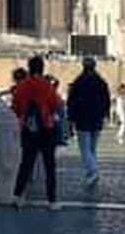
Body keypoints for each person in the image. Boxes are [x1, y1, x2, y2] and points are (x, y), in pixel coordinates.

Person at [11, 55, 62, 211]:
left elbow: (16, 107)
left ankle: (18, 197)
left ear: (29, 68)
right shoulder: (47, 85)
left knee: (26, 163)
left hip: (28, 128)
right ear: (42, 68)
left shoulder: (23, 86)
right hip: (46, 128)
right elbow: (57, 104)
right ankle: (51, 201)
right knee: (49, 165)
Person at [66, 55, 111, 187]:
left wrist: (71, 119)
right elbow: (106, 101)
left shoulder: (78, 82)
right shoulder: (101, 82)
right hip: (97, 119)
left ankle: (93, 171)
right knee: (92, 148)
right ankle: (90, 172)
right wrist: (104, 114)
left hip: (82, 120)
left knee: (85, 149)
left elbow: (72, 102)